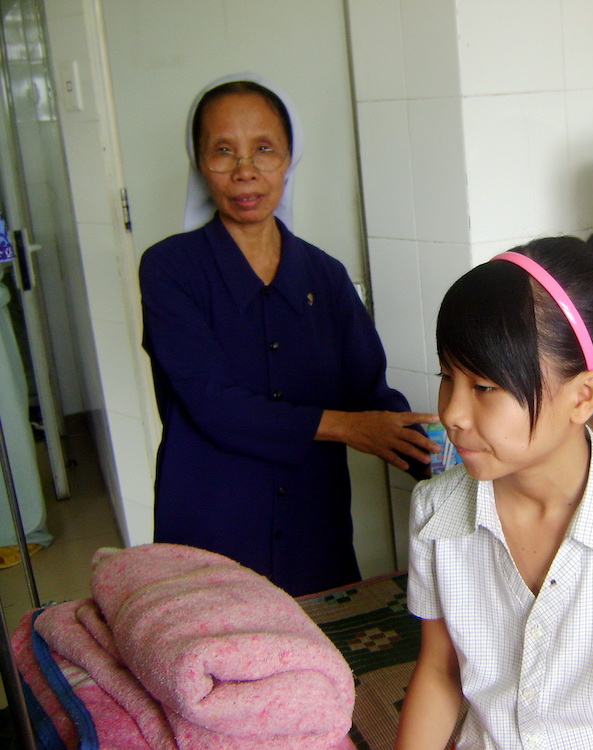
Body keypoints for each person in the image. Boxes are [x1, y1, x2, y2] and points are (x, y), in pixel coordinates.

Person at [397, 234, 593, 750]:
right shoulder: (435, 512)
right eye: (447, 377)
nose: (452, 414)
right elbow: (440, 673)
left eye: (484, 388)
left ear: (583, 395)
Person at [139, 75, 438, 597]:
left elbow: (370, 396)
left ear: (289, 158)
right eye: (223, 151)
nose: (245, 170)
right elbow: (212, 403)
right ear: (199, 162)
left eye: (264, 149)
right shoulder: (170, 269)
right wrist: (350, 428)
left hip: (312, 526)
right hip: (213, 521)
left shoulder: (325, 276)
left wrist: (451, 456)